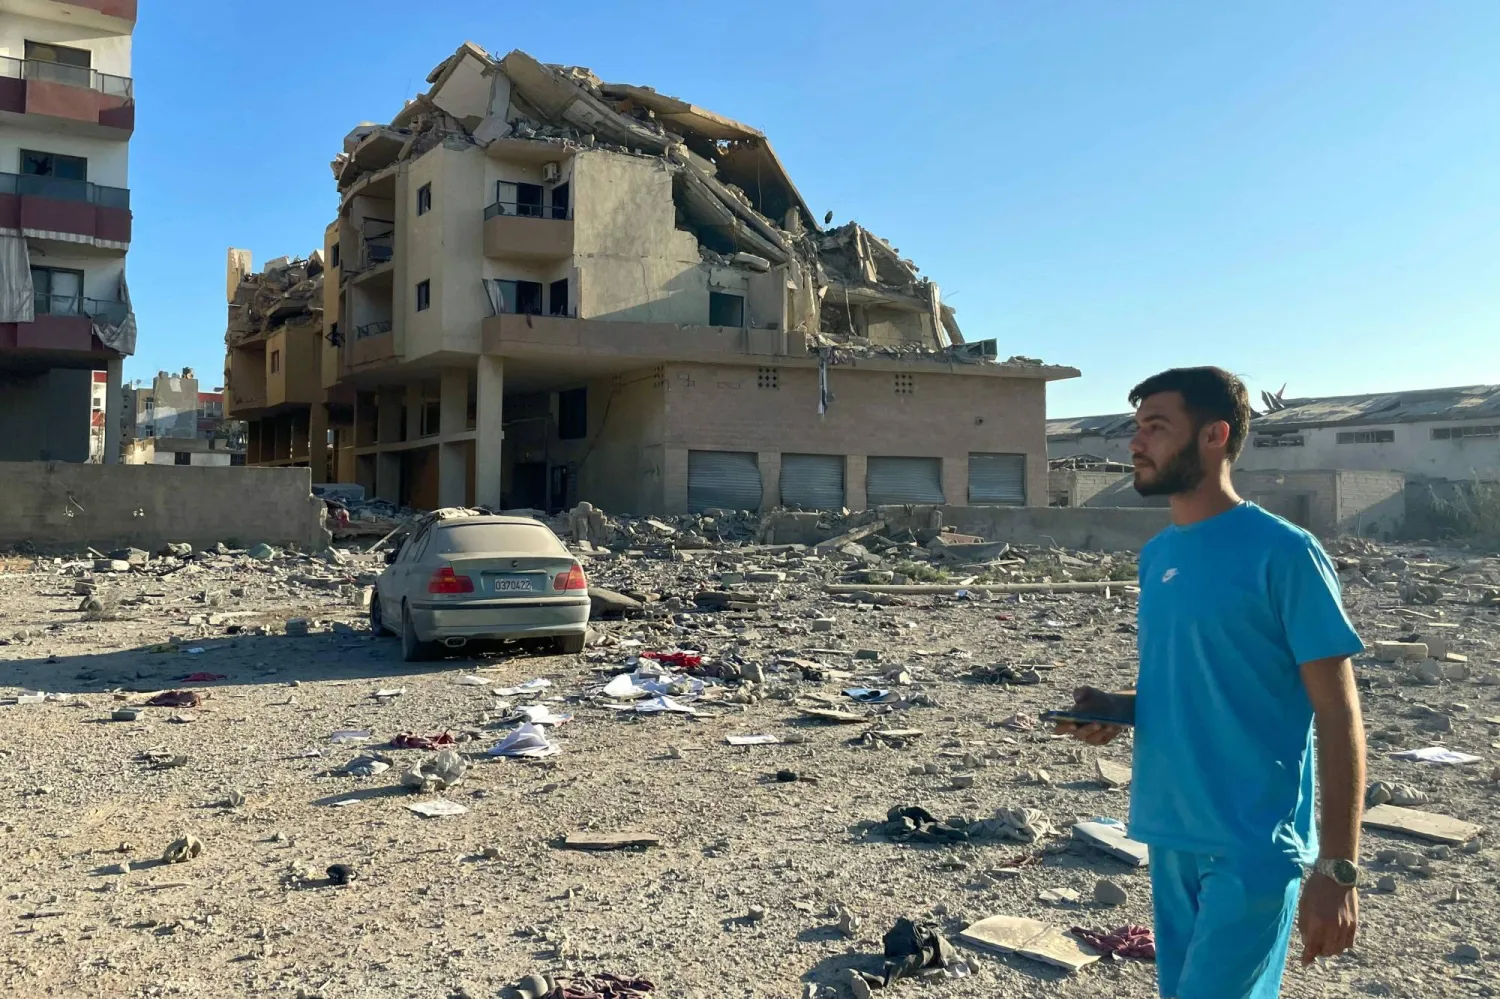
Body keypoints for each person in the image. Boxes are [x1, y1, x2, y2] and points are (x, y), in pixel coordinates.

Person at [1055, 367, 1367, 999]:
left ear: (1214, 436)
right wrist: (1116, 709)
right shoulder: (1159, 556)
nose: (1135, 444)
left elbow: (1339, 716)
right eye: (1137, 428)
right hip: (1170, 832)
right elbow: (1200, 688)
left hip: (1251, 841)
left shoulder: (1285, 553)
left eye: (1157, 427)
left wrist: (1337, 869)